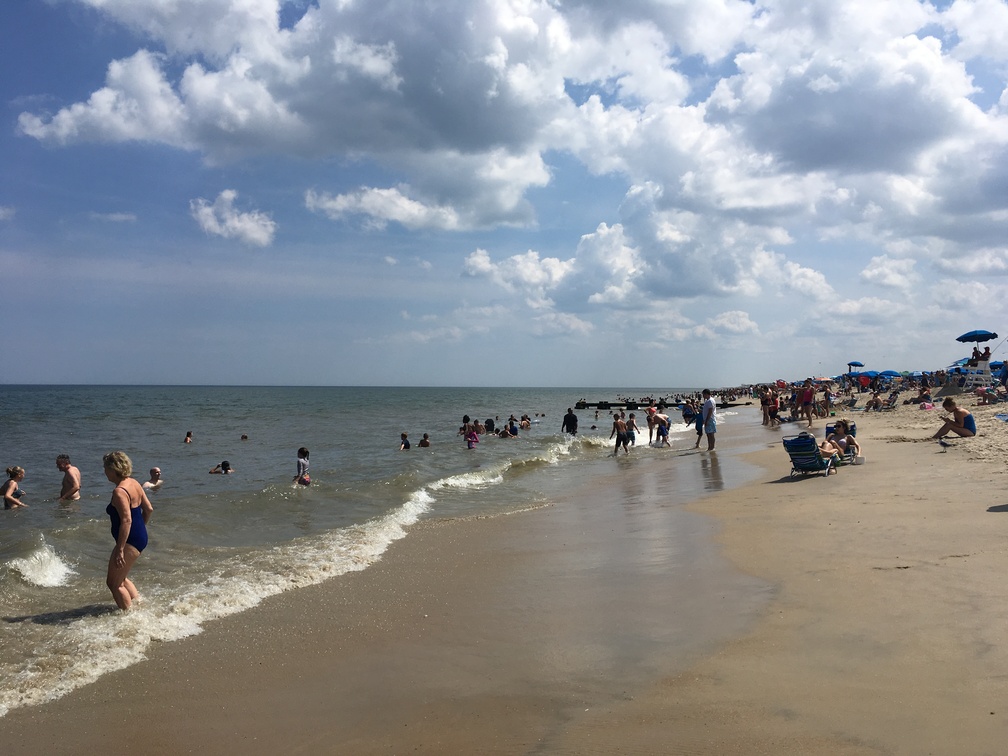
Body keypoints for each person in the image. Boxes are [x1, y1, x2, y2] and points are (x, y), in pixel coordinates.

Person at [102, 451, 153, 611]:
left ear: (113, 469)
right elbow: (149, 509)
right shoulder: (134, 482)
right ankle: (139, 606)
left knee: (114, 584)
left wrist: (120, 549)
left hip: (130, 540)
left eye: (105, 468)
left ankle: (130, 617)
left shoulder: (120, 491)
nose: (104, 472)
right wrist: (140, 529)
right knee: (121, 578)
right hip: (139, 536)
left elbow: (126, 520)